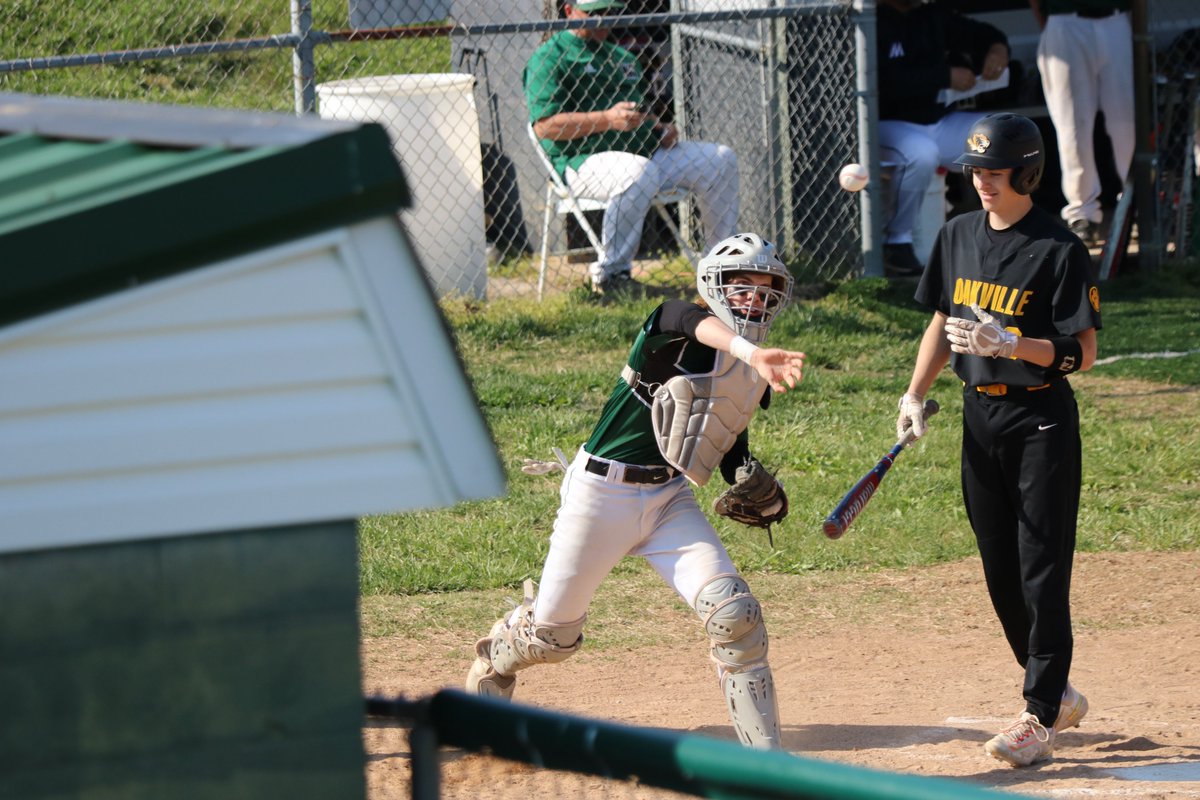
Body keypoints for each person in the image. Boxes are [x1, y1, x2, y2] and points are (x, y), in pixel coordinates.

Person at [466, 232, 805, 750]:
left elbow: (726, 430)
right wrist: (749, 351)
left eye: (765, 290)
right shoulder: (670, 332)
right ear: (714, 287)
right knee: (554, 639)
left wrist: (743, 473)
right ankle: (501, 650)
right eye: (741, 288)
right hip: (601, 494)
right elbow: (677, 315)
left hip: (670, 499)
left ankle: (770, 765)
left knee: (736, 617)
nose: (753, 300)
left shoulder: (758, 368)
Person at [895, 113, 1100, 767]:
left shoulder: (1059, 248)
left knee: (1042, 568)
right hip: (978, 418)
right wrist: (916, 394)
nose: (983, 182)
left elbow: (1083, 352)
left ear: (1027, 172)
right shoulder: (957, 236)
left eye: (995, 171)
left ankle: (1038, 715)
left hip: (1040, 421)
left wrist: (1014, 344)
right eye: (977, 171)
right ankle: (1056, 694)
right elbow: (940, 320)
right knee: (999, 569)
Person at [524, 0, 740, 295]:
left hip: (644, 154)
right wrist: (607, 120)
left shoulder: (621, 57)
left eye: (608, 13)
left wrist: (658, 127)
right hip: (581, 162)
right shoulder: (549, 58)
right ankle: (613, 277)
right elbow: (545, 126)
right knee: (638, 171)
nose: (602, 21)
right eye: (594, 14)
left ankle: (720, 269)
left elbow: (637, 113)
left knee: (720, 160)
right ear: (569, 11)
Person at [876, 0, 1010, 276]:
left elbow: (984, 34)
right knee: (921, 154)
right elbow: (882, 82)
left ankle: (1008, 229)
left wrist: (997, 50)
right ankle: (897, 242)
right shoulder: (871, 18)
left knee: (1002, 135)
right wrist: (943, 76)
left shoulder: (930, 14)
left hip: (937, 122)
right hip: (885, 125)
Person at [1030, 0, 1134, 246]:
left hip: (1116, 18)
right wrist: (1050, 24)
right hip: (1065, 19)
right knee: (1072, 126)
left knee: (1127, 125)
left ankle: (1135, 202)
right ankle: (1082, 213)